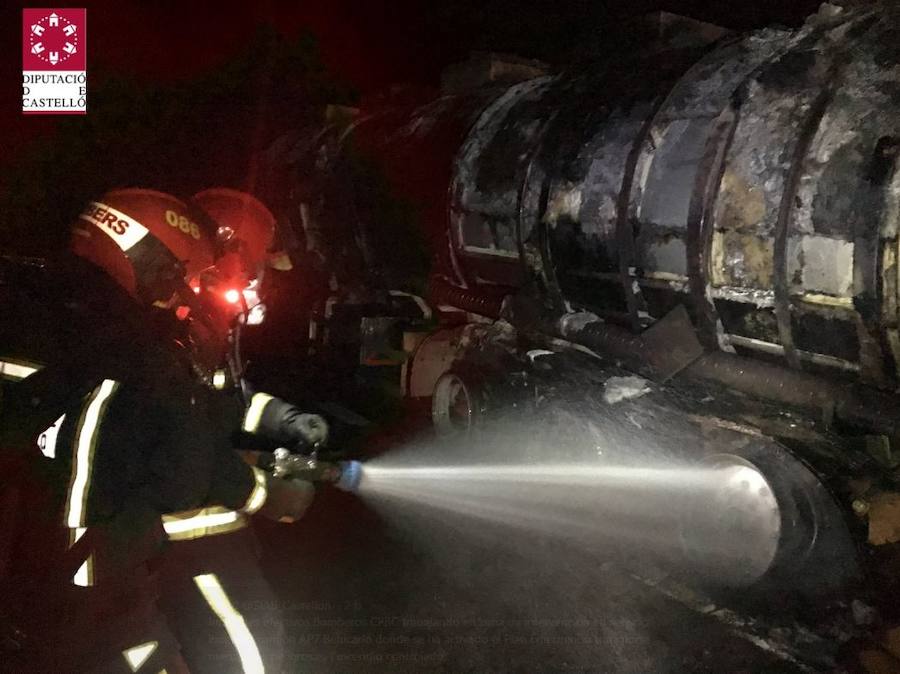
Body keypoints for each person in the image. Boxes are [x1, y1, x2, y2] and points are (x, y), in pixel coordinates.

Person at [0, 187, 325, 673]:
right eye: (179, 276)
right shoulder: (140, 341)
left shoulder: (54, 317)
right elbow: (183, 463)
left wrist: (280, 417)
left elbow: (214, 408)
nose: (185, 291)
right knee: (244, 644)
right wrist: (266, 491)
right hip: (104, 576)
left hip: (59, 576)